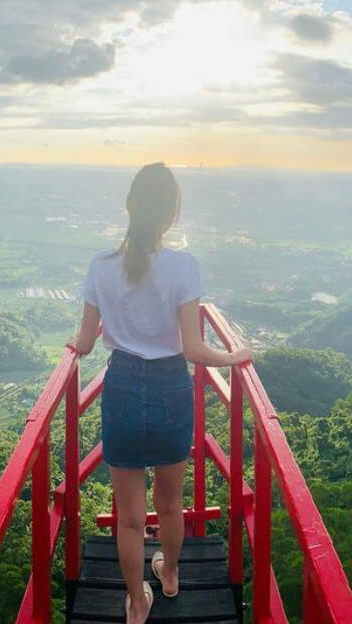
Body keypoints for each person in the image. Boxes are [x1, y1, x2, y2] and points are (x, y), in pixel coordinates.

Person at [67, 162, 251, 623]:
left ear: (130, 205)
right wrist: (234, 357)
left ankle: (136, 602)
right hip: (172, 388)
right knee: (171, 504)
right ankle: (169, 577)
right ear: (170, 214)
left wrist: (75, 345)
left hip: (122, 388)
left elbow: (85, 343)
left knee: (130, 516)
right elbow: (193, 349)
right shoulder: (183, 267)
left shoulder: (101, 266)